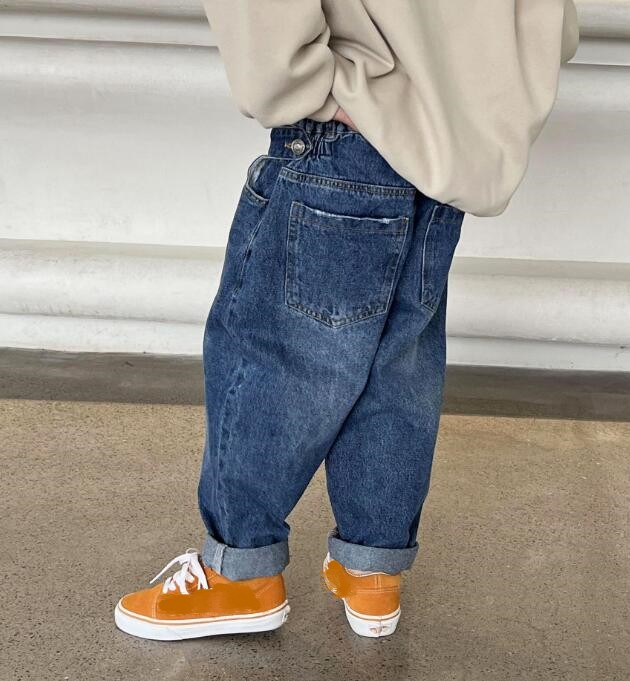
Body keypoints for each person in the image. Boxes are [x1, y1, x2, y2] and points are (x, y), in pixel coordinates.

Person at [115, 0, 579, 639]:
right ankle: (372, 570)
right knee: (398, 369)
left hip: (349, 136)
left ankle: (240, 575)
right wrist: (477, 105)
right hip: (449, 147)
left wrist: (309, 90)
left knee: (277, 356)